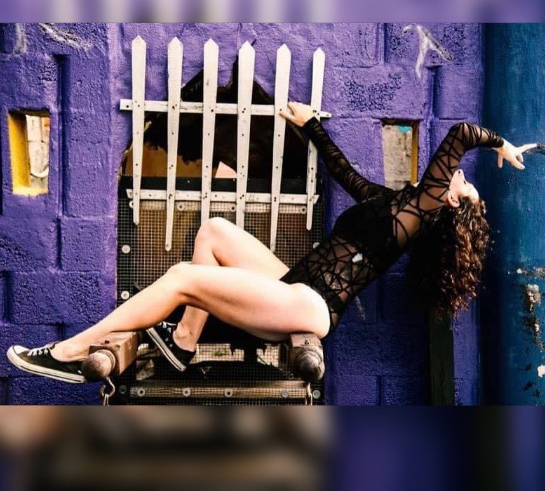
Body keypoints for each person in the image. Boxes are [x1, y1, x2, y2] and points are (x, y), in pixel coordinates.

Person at [7, 103, 536, 383]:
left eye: (460, 185)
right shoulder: (395, 206)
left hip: (310, 305)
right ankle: (185, 341)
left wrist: (502, 145)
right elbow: (346, 175)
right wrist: (312, 126)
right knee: (213, 230)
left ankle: (71, 351)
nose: (459, 176)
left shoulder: (420, 212)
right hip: (295, 284)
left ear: (448, 201)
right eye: (459, 177)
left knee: (182, 277)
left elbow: (462, 133)